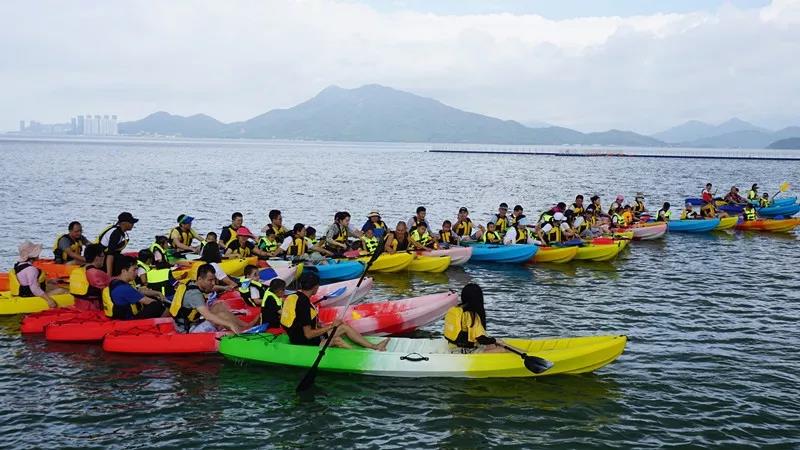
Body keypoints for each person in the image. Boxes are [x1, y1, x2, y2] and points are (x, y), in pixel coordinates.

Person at [280, 272, 389, 350]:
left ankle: (374, 347)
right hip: (303, 341)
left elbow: (299, 320)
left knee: (343, 327)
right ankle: (357, 355)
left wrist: (324, 326)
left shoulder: (294, 296)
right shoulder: (303, 304)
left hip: (297, 335)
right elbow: (308, 334)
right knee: (336, 339)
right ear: (315, 287)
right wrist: (331, 326)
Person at [169, 263, 252, 333]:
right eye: (210, 280)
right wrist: (229, 324)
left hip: (193, 322)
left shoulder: (192, 283)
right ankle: (241, 332)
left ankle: (246, 326)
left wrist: (224, 288)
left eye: (214, 280)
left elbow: (211, 288)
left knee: (219, 306)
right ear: (200, 279)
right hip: (188, 331)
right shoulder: (194, 294)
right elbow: (208, 316)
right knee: (222, 315)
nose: (213, 283)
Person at [443, 284, 505, 353]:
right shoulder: (471, 315)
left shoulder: (455, 309)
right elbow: (481, 339)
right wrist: (495, 340)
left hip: (452, 346)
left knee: (492, 345)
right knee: (501, 349)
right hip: (463, 350)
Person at [105, 255, 165, 320]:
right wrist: (164, 304)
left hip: (119, 316)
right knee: (157, 305)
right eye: (134, 270)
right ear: (124, 271)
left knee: (154, 299)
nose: (137, 273)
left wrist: (157, 293)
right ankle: (164, 324)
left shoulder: (115, 282)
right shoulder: (124, 289)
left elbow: (138, 291)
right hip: (129, 321)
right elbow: (149, 301)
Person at [11, 241, 66, 308]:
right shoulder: (31, 269)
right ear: (33, 256)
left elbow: (27, 280)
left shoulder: (19, 265)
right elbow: (34, 289)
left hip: (24, 292)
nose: (39, 254)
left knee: (53, 285)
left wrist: (50, 280)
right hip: (31, 295)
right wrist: (49, 300)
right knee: (63, 290)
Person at [97, 212, 138, 276]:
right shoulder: (116, 233)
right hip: (102, 258)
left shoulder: (118, 230)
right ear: (123, 223)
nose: (133, 224)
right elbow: (110, 254)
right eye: (131, 222)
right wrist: (109, 274)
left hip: (106, 256)